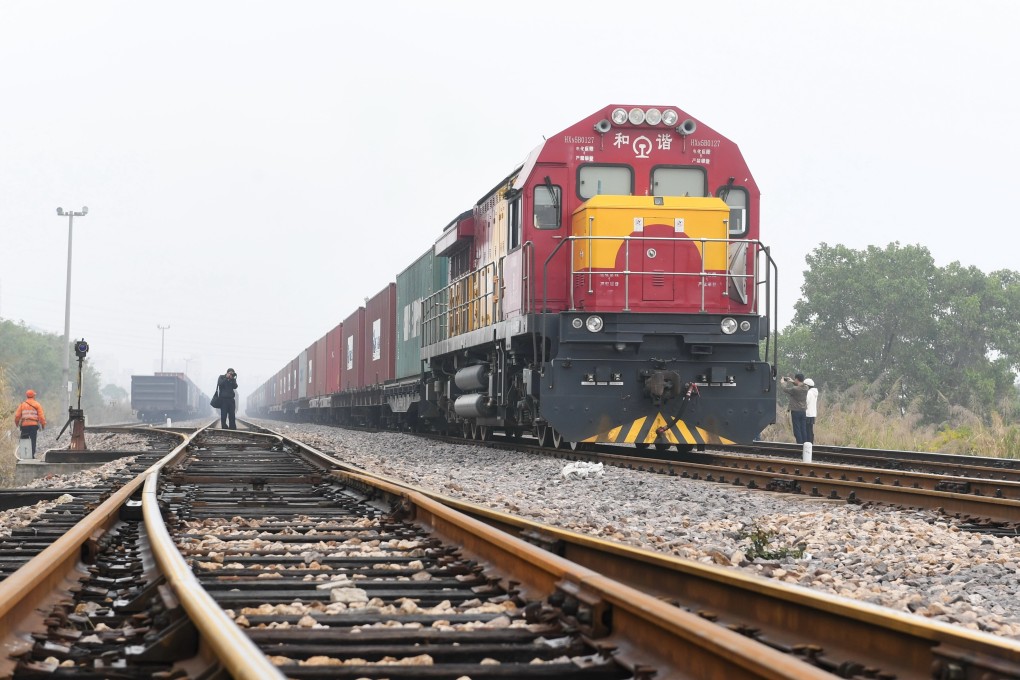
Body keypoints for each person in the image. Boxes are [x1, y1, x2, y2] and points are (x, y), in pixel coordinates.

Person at [14, 389, 47, 457]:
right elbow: (41, 417)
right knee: (33, 440)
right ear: (34, 396)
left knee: (24, 440)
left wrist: (17, 424)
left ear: (27, 396)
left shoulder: (22, 405)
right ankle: (32, 455)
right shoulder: (37, 404)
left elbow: (17, 416)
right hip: (33, 426)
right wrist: (43, 425)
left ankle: (24, 455)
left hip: (24, 425)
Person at [779, 373, 809, 444]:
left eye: (795, 379)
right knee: (803, 429)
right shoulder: (806, 388)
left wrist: (783, 383)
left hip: (796, 411)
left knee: (797, 429)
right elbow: (800, 385)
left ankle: (799, 445)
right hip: (803, 411)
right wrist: (792, 381)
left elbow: (785, 389)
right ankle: (805, 444)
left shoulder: (794, 389)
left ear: (797, 379)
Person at [804, 378, 818, 443]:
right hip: (812, 414)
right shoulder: (814, 392)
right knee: (810, 430)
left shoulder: (809, 393)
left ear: (807, 386)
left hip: (807, 414)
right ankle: (811, 443)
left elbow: (805, 402)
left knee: (807, 430)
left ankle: (808, 443)